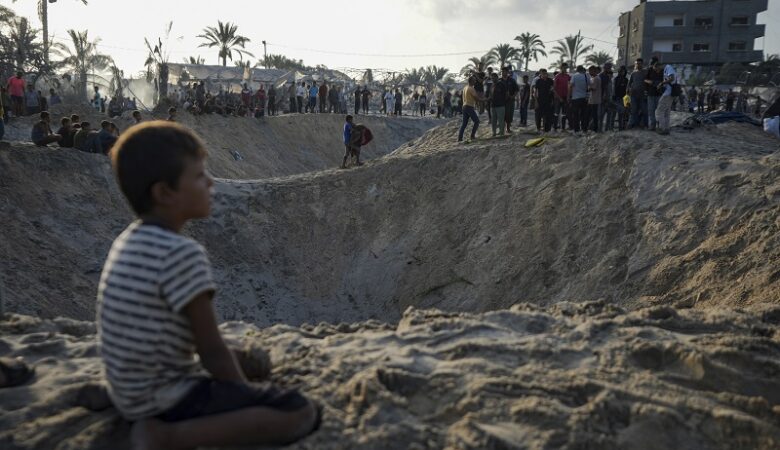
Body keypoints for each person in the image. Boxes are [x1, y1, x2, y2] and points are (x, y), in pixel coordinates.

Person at [100, 121, 320, 449]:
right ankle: (166, 437)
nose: (211, 182)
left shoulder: (127, 241)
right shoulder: (181, 253)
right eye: (200, 176)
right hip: (164, 399)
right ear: (164, 192)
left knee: (248, 359)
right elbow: (211, 351)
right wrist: (243, 396)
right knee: (300, 411)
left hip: (128, 390)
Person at [457, 76, 485, 142]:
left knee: (464, 123)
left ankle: (460, 138)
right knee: (477, 121)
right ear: (471, 81)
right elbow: (476, 98)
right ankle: (472, 136)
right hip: (469, 106)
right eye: (474, 80)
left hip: (464, 106)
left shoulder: (465, 88)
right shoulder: (471, 88)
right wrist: (484, 100)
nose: (475, 82)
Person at [655, 62, 676, 135]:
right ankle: (666, 129)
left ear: (658, 66)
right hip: (670, 93)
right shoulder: (666, 69)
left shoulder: (668, 67)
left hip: (668, 93)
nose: (657, 71)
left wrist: (662, 83)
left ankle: (662, 128)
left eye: (656, 69)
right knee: (666, 111)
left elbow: (672, 78)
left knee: (660, 110)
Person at [568, 65, 589, 134]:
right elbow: (589, 85)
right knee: (584, 115)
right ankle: (584, 129)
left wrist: (569, 96)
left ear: (577, 70)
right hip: (584, 98)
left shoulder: (574, 76)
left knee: (575, 115)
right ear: (583, 69)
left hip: (575, 98)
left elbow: (570, 86)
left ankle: (576, 130)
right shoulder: (586, 76)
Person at [627, 58, 647, 129]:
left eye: (639, 63)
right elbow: (629, 83)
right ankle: (632, 124)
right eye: (637, 64)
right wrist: (628, 91)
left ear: (642, 64)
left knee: (644, 110)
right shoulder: (633, 73)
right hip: (634, 95)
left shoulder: (645, 72)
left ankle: (644, 124)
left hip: (643, 95)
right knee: (633, 110)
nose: (638, 65)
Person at [533, 69, 555, 133]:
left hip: (548, 100)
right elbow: (535, 91)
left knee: (548, 116)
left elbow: (553, 89)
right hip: (540, 101)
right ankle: (538, 128)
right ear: (540, 74)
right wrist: (536, 101)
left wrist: (552, 99)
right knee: (538, 115)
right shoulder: (538, 81)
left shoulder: (550, 80)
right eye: (542, 73)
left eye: (545, 73)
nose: (544, 75)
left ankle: (547, 129)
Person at [644, 62, 663, 131]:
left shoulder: (663, 72)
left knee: (659, 111)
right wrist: (651, 82)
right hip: (651, 94)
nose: (657, 70)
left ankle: (659, 126)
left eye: (659, 69)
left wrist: (661, 84)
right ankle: (652, 125)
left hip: (659, 94)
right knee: (651, 110)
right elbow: (645, 79)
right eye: (656, 69)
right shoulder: (650, 70)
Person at [553, 63, 571, 131]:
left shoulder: (568, 76)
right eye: (564, 68)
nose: (565, 69)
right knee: (556, 113)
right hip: (558, 98)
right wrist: (559, 97)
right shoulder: (557, 76)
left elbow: (570, 86)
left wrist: (568, 96)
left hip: (565, 97)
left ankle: (563, 128)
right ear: (561, 68)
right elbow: (554, 89)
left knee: (564, 114)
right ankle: (555, 128)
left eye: (566, 68)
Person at [489, 72, 507, 137]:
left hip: (500, 105)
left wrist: (504, 102)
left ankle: (501, 132)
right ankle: (494, 133)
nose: (493, 79)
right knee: (493, 120)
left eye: (494, 78)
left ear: (497, 77)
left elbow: (506, 94)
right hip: (493, 105)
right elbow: (490, 95)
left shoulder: (501, 84)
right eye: (492, 78)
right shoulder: (491, 85)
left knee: (501, 120)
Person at [612, 66, 629, 131]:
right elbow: (614, 89)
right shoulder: (616, 79)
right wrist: (614, 96)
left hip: (625, 98)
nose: (622, 72)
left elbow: (627, 89)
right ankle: (618, 127)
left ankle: (622, 127)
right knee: (618, 113)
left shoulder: (626, 80)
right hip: (617, 98)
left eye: (623, 71)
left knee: (624, 113)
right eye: (621, 71)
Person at [502, 67, 518, 133]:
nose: (503, 73)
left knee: (509, 115)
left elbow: (516, 90)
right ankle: (502, 128)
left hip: (510, 101)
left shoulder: (512, 80)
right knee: (502, 115)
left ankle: (508, 128)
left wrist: (513, 96)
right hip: (502, 101)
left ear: (507, 72)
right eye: (502, 71)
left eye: (505, 71)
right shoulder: (500, 80)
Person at [587, 66, 602, 132]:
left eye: (590, 71)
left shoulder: (596, 78)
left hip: (595, 100)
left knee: (594, 115)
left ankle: (595, 129)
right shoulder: (593, 78)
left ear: (594, 71)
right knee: (592, 115)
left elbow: (593, 88)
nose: (589, 72)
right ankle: (592, 128)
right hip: (593, 99)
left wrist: (588, 87)